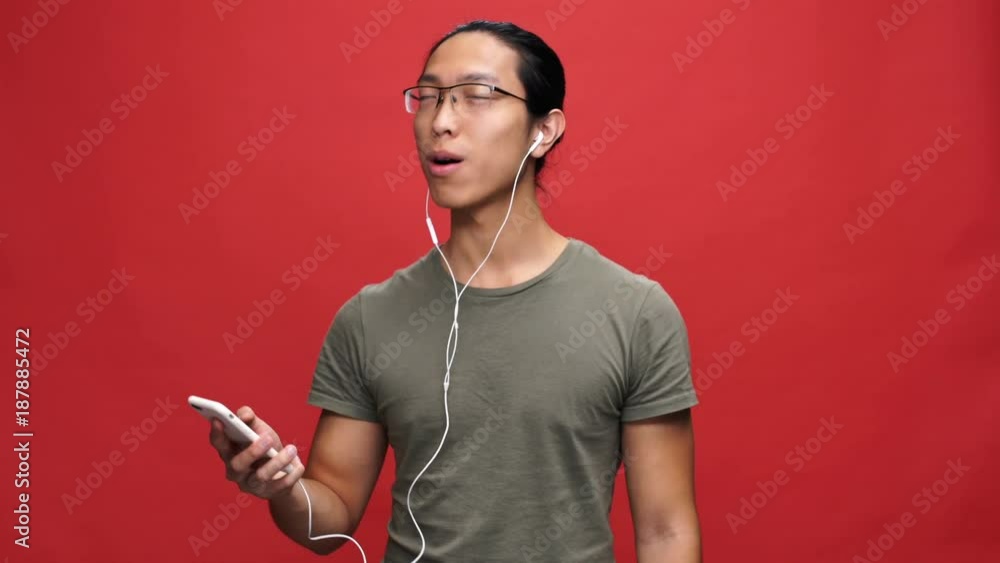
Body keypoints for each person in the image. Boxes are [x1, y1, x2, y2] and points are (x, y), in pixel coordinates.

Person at [207, 20, 702, 563]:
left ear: (544, 131)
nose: (441, 122)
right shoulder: (371, 318)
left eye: (478, 96)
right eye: (428, 97)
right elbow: (330, 522)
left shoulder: (634, 312)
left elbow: (666, 532)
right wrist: (277, 483)